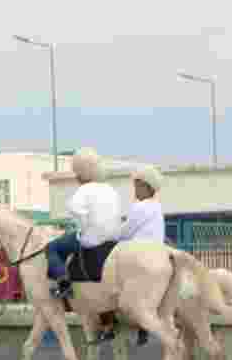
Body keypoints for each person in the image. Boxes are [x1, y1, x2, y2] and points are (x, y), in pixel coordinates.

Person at [97, 166, 166, 344]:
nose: (134, 189)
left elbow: (124, 233)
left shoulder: (139, 207)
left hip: (136, 251)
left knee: (102, 278)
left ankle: (108, 325)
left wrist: (103, 236)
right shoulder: (156, 207)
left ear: (146, 186)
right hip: (157, 252)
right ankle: (143, 326)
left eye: (137, 185)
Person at [46, 147, 122, 299]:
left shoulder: (84, 190)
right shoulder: (110, 189)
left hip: (91, 239)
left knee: (52, 247)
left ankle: (64, 284)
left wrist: (81, 229)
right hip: (114, 239)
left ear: (80, 173)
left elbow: (77, 214)